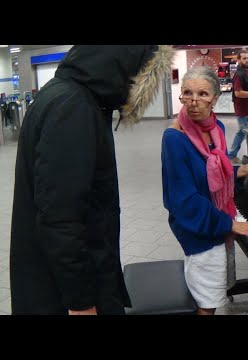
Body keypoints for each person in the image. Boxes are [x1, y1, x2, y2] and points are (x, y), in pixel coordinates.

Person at [10, 45, 173, 315]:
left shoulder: (67, 96)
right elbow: (60, 218)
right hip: (66, 294)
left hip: (64, 277)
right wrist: (81, 302)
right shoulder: (74, 107)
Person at [162, 66, 248, 315]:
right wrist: (231, 224)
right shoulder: (174, 138)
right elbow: (184, 200)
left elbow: (213, 177)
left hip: (218, 218)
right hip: (199, 228)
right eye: (187, 93)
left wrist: (242, 171)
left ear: (215, 98)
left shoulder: (217, 128)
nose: (193, 102)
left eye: (202, 94)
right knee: (207, 303)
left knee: (219, 287)